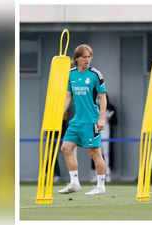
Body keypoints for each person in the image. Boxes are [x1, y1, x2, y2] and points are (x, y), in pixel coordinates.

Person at [58, 44, 108, 195]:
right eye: (84, 57)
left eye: (89, 57)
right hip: (76, 121)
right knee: (66, 148)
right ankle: (74, 183)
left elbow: (103, 98)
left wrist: (101, 119)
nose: (87, 60)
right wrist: (61, 112)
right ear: (76, 59)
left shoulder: (95, 75)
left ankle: (100, 186)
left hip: (91, 121)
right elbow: (68, 96)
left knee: (94, 152)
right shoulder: (71, 74)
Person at [90, 95, 117, 183]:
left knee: (106, 152)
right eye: (97, 98)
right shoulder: (93, 107)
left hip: (106, 132)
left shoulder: (110, 108)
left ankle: (108, 174)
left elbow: (115, 121)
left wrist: (109, 118)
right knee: (97, 152)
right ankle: (97, 174)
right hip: (96, 131)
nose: (99, 100)